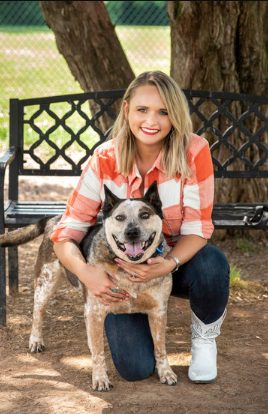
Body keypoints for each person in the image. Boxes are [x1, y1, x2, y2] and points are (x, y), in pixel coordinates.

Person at [51, 71, 230, 383]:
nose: (152, 121)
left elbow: (198, 229)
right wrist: (86, 273)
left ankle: (204, 339)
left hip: (175, 260)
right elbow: (66, 234)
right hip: (121, 270)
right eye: (142, 110)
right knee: (135, 369)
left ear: (175, 116)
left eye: (164, 112)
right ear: (126, 111)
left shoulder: (193, 151)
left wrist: (167, 264)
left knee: (213, 265)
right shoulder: (105, 157)